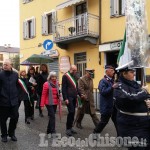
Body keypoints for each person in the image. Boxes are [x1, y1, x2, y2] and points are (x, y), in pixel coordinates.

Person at [114, 62, 150, 150]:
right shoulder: (119, 86)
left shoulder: (135, 84)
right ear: (124, 73)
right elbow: (129, 98)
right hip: (133, 126)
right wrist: (144, 92)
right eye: (131, 72)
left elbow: (145, 96)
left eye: (134, 71)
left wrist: (148, 100)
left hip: (145, 124)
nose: (134, 74)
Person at [93, 65, 117, 135]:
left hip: (113, 105)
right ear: (106, 71)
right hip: (106, 106)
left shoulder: (112, 80)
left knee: (117, 121)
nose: (113, 72)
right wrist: (112, 87)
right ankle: (95, 133)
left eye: (113, 70)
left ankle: (120, 137)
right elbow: (103, 92)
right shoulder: (103, 81)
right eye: (111, 70)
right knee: (103, 122)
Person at [0, 59, 19, 142]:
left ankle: (11, 133)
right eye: (4, 64)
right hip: (3, 101)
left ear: (11, 65)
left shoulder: (15, 74)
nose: (5, 66)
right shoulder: (0, 74)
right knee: (3, 119)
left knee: (15, 117)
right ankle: (4, 135)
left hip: (14, 101)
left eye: (6, 64)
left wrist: (17, 95)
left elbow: (17, 85)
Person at [62, 65, 78, 136]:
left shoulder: (75, 76)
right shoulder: (65, 76)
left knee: (73, 112)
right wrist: (65, 98)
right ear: (70, 69)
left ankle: (71, 127)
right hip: (69, 98)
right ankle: (68, 129)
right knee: (71, 112)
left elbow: (76, 87)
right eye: (74, 70)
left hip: (74, 97)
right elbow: (64, 88)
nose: (75, 72)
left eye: (76, 70)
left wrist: (81, 95)